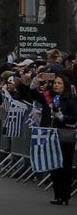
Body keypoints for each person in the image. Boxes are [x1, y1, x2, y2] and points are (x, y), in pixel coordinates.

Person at [40, 74, 76, 205]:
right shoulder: (54, 99)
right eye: (55, 83)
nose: (56, 85)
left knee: (64, 165)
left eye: (59, 83)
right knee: (54, 164)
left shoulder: (71, 101)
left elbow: (73, 119)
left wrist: (61, 117)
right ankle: (57, 194)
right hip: (53, 135)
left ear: (65, 85)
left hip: (66, 136)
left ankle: (65, 195)